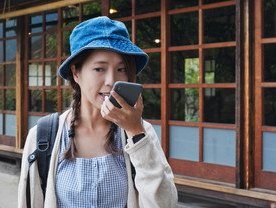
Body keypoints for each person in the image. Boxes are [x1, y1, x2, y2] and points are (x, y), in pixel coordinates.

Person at [18, 16, 177, 208]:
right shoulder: (43, 136)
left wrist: (136, 133)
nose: (111, 80)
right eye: (99, 68)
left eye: (121, 69)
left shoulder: (140, 132)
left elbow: (165, 204)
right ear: (76, 73)